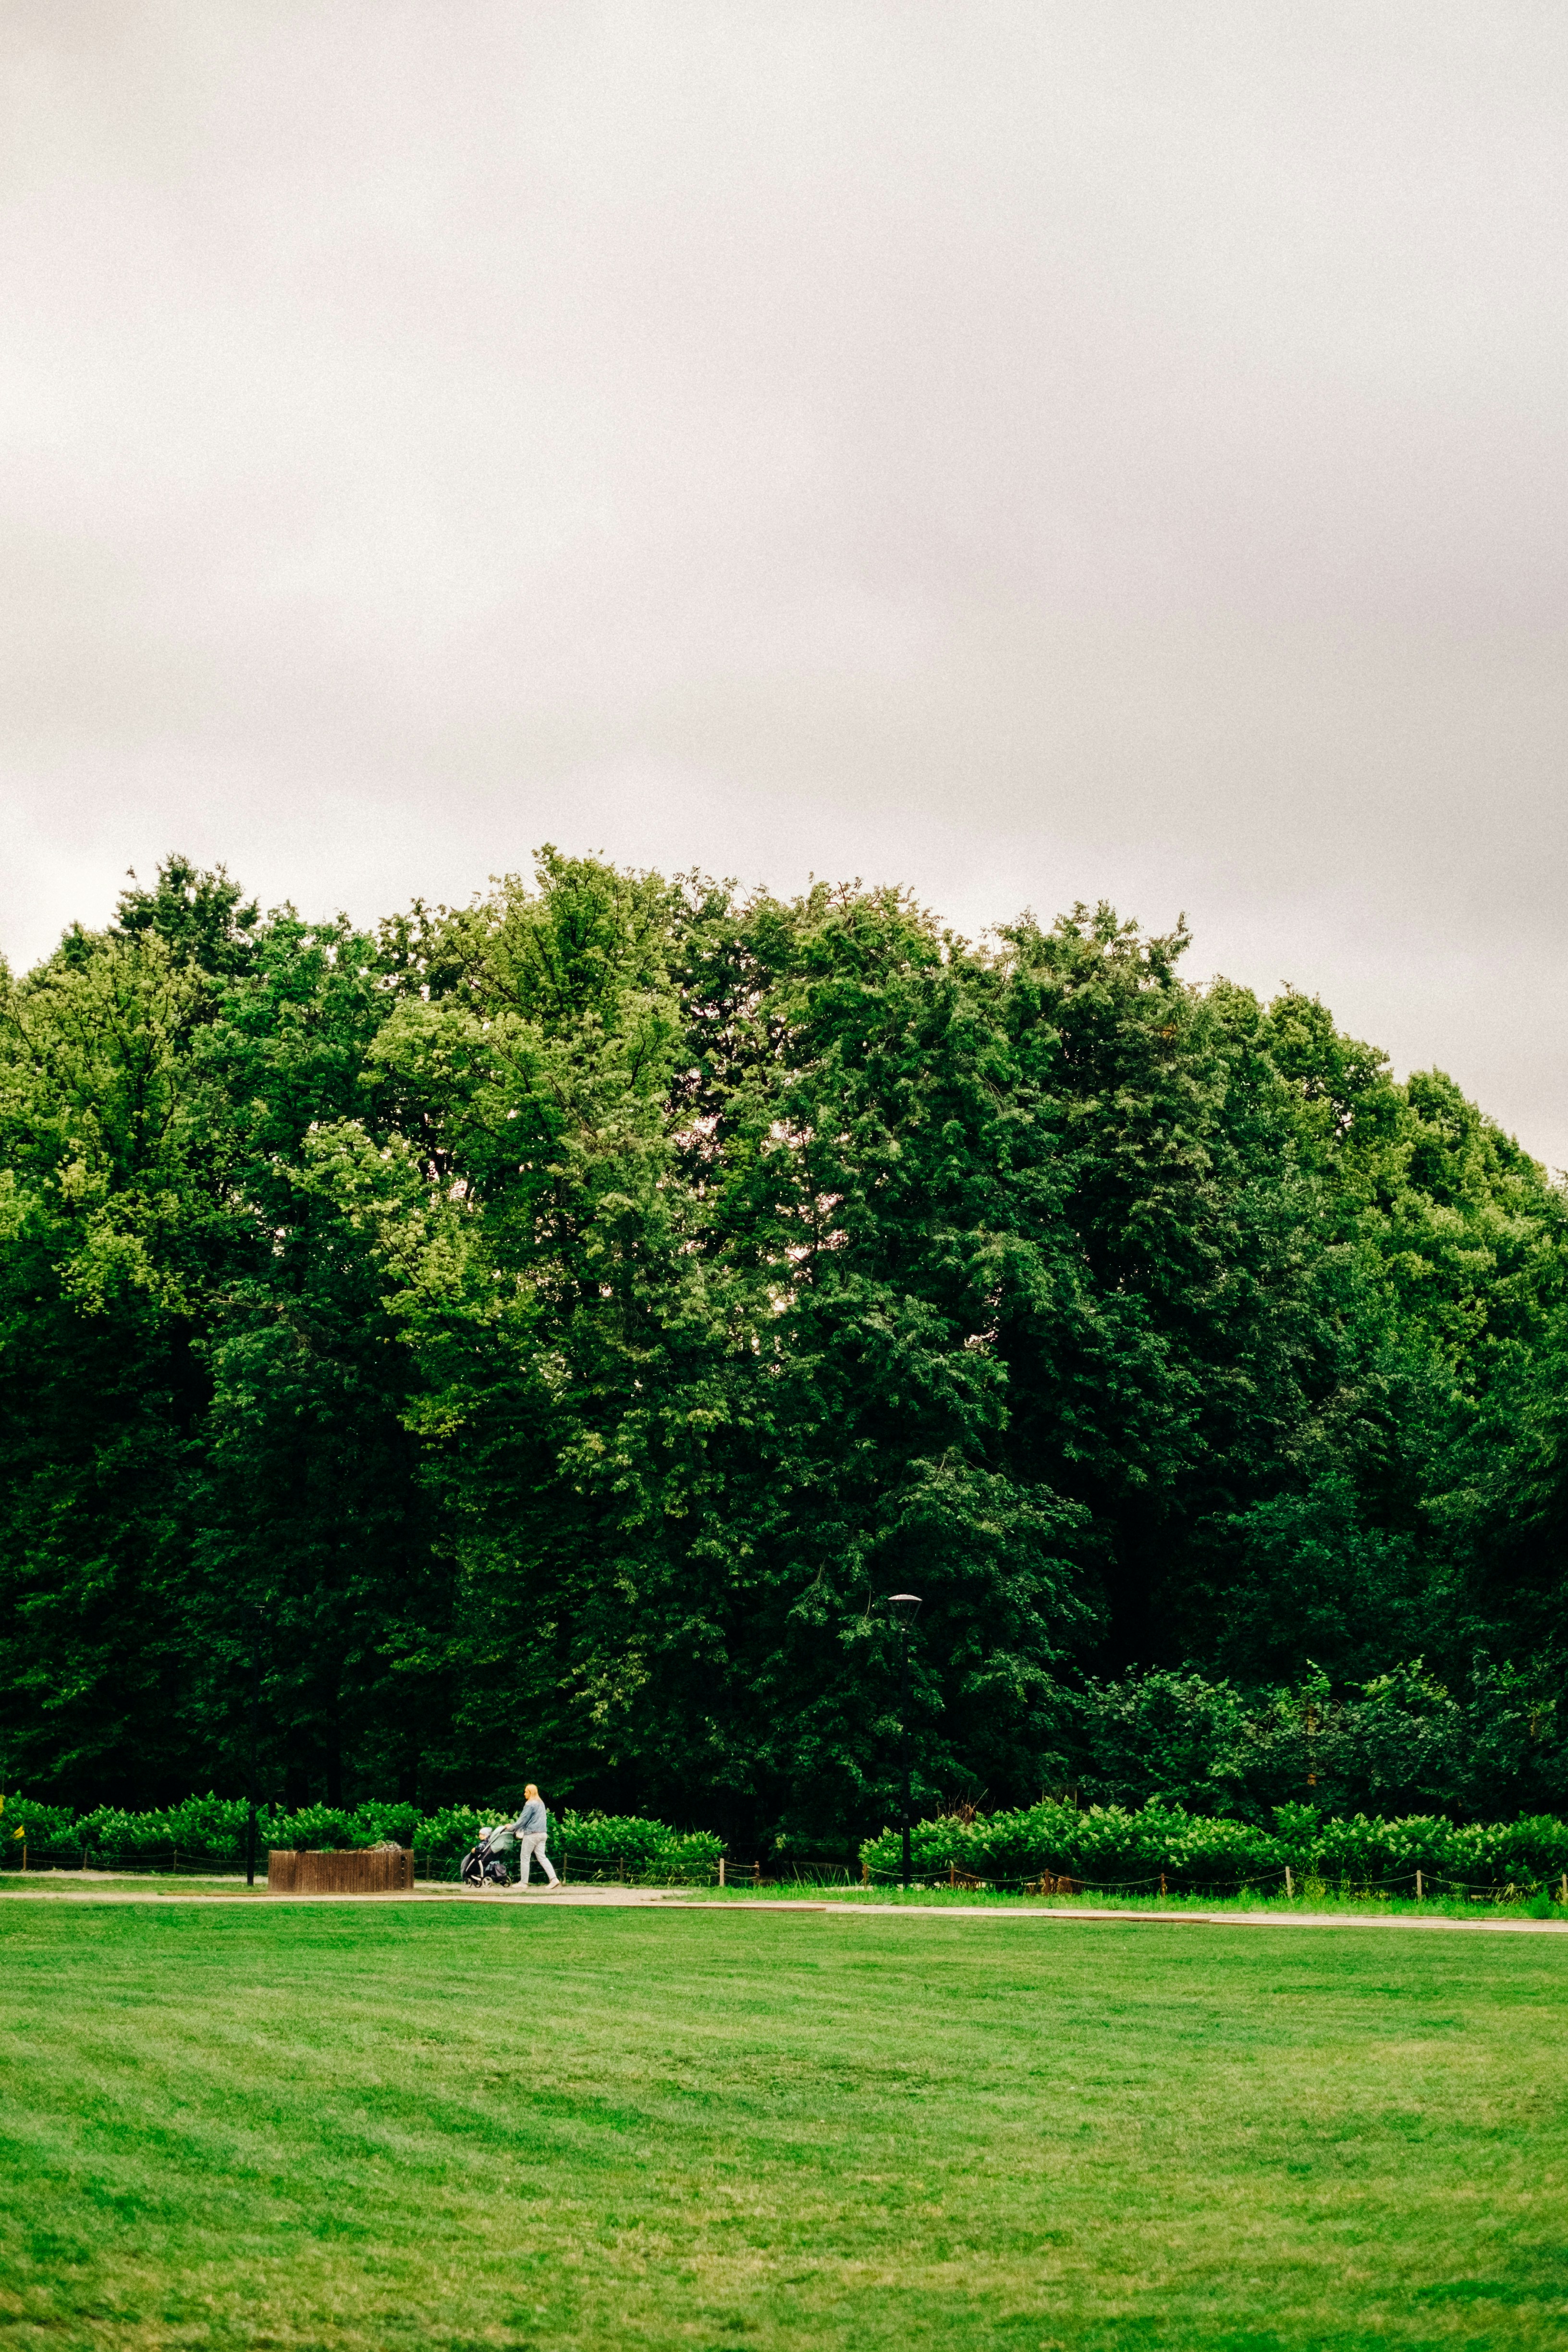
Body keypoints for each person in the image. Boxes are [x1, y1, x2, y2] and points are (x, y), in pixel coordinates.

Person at [514, 1784, 559, 1888]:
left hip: (532, 1834)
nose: (525, 1794)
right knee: (542, 1857)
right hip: (543, 1834)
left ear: (531, 1792)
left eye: (526, 1792)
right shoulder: (541, 1803)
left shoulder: (530, 1804)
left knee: (525, 1857)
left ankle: (524, 1883)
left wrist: (512, 1827)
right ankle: (554, 1879)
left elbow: (523, 1819)